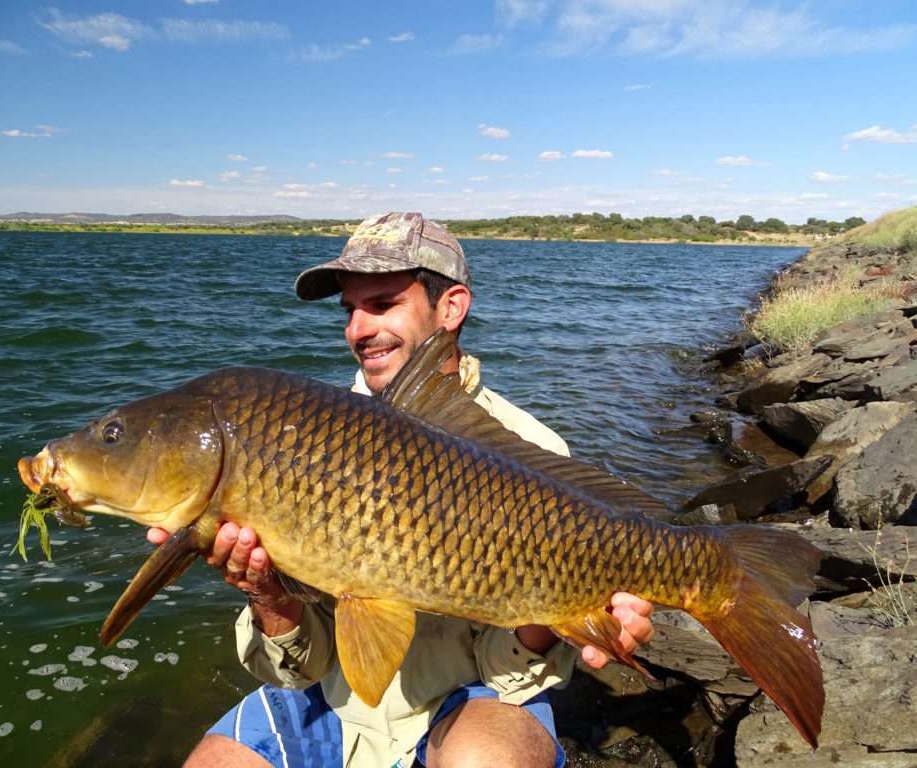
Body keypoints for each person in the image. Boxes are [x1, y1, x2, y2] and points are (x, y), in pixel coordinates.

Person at [149, 212, 655, 768]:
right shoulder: (294, 438)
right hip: (337, 701)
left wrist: (571, 611)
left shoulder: (534, 451)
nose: (356, 330)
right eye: (350, 310)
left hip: (470, 701)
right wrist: (266, 593)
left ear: (451, 308)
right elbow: (303, 667)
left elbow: (507, 673)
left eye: (382, 304)